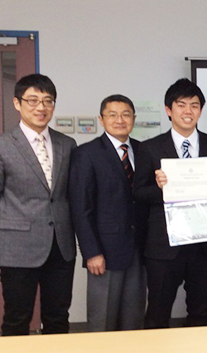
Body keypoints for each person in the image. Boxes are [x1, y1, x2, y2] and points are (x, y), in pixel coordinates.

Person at [0, 73, 77, 335]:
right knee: (17, 318)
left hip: (60, 245)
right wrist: (11, 227)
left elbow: (69, 194)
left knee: (57, 316)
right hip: (17, 246)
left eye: (47, 101)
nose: (40, 107)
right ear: (17, 103)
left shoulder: (67, 144)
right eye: (32, 100)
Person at [133, 78, 207, 328]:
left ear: (200, 110)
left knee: (201, 313)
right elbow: (138, 193)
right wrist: (159, 189)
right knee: (157, 312)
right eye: (181, 105)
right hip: (165, 246)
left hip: (205, 243)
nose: (188, 111)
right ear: (169, 110)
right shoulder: (150, 148)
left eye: (195, 105)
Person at [68, 94, 147, 331]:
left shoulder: (144, 151)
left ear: (134, 118)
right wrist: (91, 252)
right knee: (102, 319)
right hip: (104, 252)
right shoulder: (87, 154)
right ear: (101, 120)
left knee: (134, 318)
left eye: (125, 114)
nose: (119, 120)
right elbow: (80, 208)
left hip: (139, 248)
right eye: (112, 115)